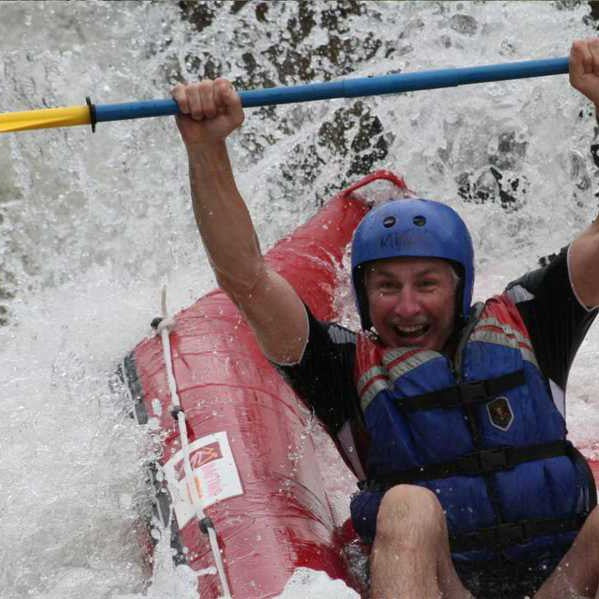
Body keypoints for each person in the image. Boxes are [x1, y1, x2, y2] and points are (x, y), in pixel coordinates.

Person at [171, 39, 599, 599]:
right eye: (386, 286)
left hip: (563, 586)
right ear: (363, 293)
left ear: (459, 284)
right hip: (444, 587)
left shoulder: (530, 322)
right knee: (407, 505)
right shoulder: (339, 364)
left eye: (427, 284)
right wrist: (207, 150)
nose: (407, 306)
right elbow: (244, 277)